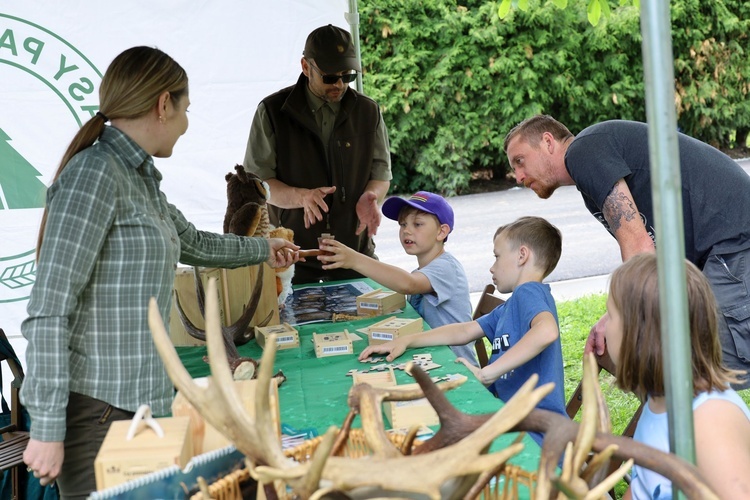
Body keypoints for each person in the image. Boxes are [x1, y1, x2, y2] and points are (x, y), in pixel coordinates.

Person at [20, 46, 299, 498]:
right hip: (98, 415)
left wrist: (264, 248)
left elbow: (195, 243)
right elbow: (49, 309)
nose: (187, 123)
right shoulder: (94, 174)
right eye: (186, 109)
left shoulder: (138, 178)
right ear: (163, 104)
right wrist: (48, 427)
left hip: (142, 405)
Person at [503, 115, 750, 390]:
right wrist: (615, 316)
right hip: (719, 255)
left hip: (735, 247)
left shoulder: (583, 152)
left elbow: (639, 249)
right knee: (670, 369)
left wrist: (616, 316)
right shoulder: (590, 171)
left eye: (520, 161)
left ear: (548, 142)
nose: (518, 176)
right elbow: (654, 257)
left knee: (690, 374)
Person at [359, 216, 566, 446]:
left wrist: (487, 373)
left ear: (522, 256)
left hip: (535, 435)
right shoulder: (512, 305)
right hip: (512, 420)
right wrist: (407, 340)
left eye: (497, 257)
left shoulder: (529, 293)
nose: (492, 266)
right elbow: (464, 331)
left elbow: (547, 331)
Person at [243, 24, 392, 285]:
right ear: (305, 67)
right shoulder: (273, 112)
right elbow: (260, 186)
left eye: (347, 77)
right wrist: (303, 197)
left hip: (355, 256)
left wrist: (372, 195)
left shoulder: (368, 112)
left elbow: (381, 174)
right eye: (330, 77)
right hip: (292, 261)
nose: (339, 85)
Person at [603, 253, 750, 499]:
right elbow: (644, 486)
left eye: (610, 314)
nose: (604, 325)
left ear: (640, 334)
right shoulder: (658, 403)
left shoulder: (709, 419)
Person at [319, 191, 479, 366]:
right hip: (428, 357)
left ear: (442, 232)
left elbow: (408, 284)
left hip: (455, 364)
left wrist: (355, 260)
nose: (407, 230)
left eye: (417, 224)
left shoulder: (446, 268)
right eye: (403, 224)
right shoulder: (423, 270)